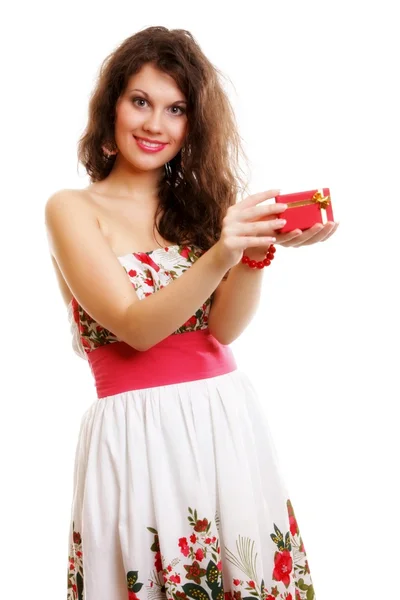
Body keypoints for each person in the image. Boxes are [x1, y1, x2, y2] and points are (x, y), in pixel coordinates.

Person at [45, 26, 338, 600]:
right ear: (112, 108)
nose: (156, 124)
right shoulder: (72, 210)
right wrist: (223, 251)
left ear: (192, 125)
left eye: (175, 109)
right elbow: (135, 326)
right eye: (140, 102)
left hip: (224, 419)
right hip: (136, 432)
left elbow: (223, 330)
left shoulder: (200, 209)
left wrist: (251, 255)